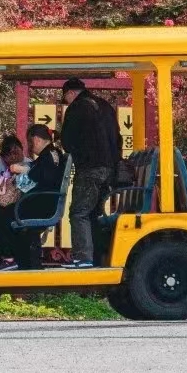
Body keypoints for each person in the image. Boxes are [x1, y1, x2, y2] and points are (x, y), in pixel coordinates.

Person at [59, 77, 122, 268]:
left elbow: (67, 142)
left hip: (89, 169)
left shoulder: (76, 108)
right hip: (110, 169)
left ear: (70, 93)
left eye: (65, 99)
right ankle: (99, 258)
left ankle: (83, 257)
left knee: (79, 213)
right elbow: (117, 139)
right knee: (96, 214)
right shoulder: (105, 106)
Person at [15, 123, 68, 270]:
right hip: (41, 202)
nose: (31, 147)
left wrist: (23, 170)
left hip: (42, 204)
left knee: (5, 214)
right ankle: (25, 264)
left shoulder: (50, 155)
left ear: (36, 140)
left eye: (31, 143)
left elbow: (44, 176)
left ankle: (20, 263)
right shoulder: (51, 153)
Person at [0, 134, 26, 269]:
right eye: (9, 154)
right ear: (3, 156)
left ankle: (9, 257)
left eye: (16, 152)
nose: (13, 157)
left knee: (2, 216)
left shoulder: (28, 165)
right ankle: (1, 256)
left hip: (21, 204)